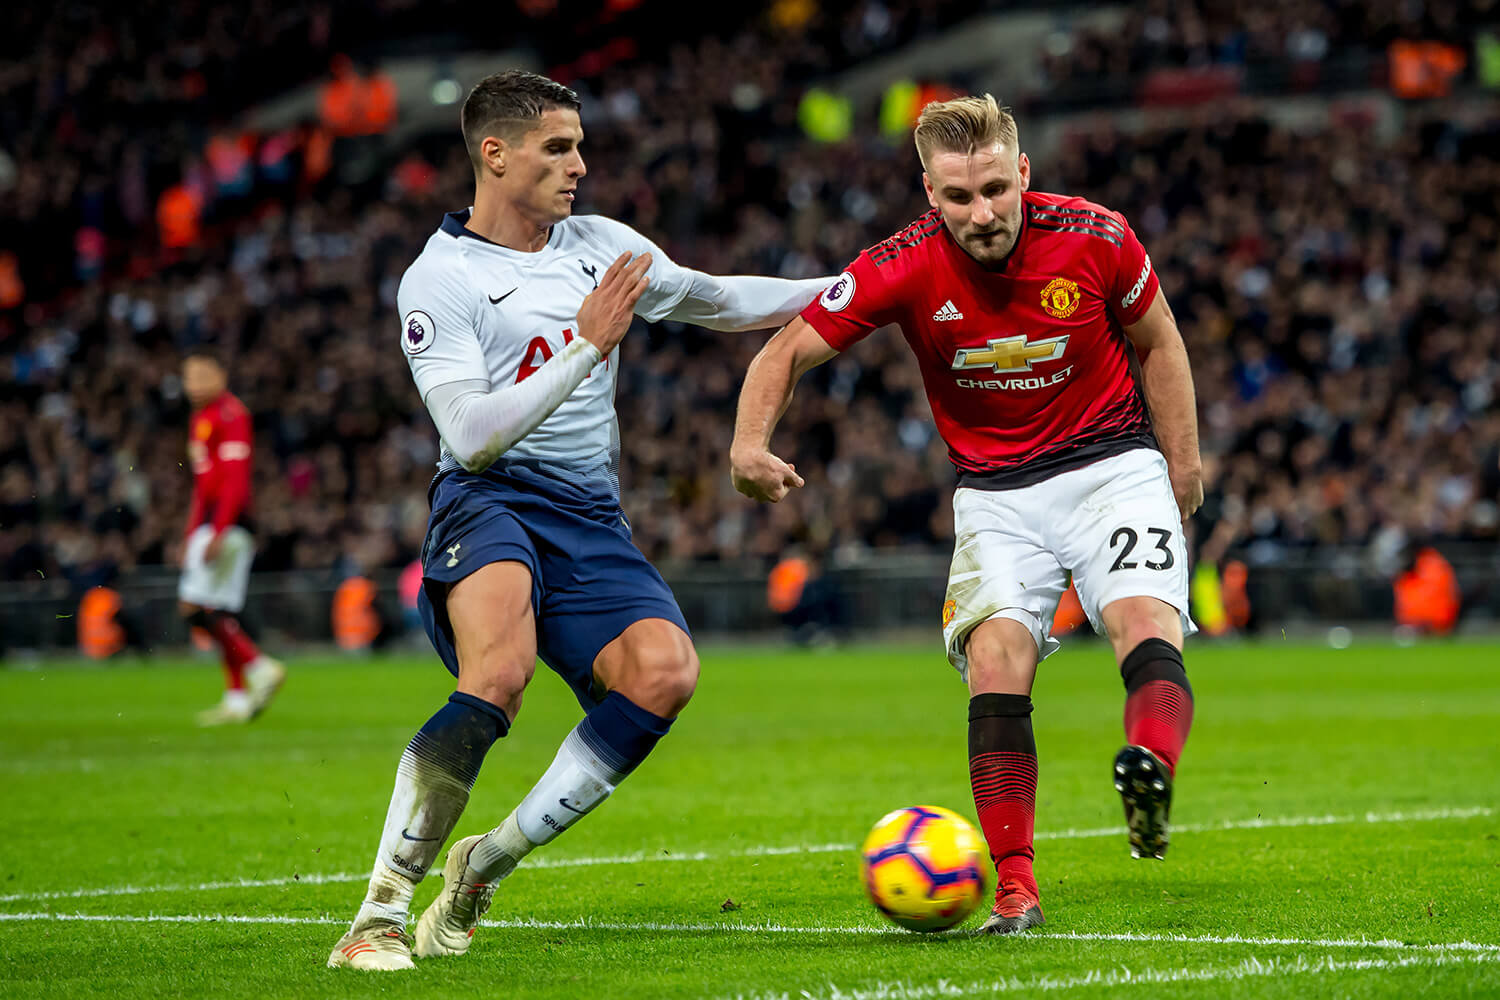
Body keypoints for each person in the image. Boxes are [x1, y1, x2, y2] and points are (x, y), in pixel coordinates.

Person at [327, 70, 830, 970]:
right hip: (489, 501)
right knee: (500, 674)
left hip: (590, 512)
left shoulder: (602, 245)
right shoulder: (438, 280)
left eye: (579, 145)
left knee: (666, 673)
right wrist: (588, 344)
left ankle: (485, 862)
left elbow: (716, 299)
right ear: (495, 153)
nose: (580, 165)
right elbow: (471, 435)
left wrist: (860, 285)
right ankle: (378, 914)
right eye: (558, 147)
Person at [730, 95, 1203, 935]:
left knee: (1140, 621)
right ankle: (1015, 891)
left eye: (994, 188)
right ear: (929, 193)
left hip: (1112, 467)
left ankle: (1149, 768)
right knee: (996, 664)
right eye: (958, 197)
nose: (981, 213)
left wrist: (1185, 463)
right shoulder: (900, 263)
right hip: (995, 495)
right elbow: (786, 348)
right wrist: (748, 444)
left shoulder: (1096, 236)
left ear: (1023, 172)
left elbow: (1159, 340)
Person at [177, 348, 286, 725]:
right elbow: (200, 486)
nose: (192, 384)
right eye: (187, 377)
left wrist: (218, 530)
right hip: (212, 524)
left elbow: (235, 480)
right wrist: (190, 533)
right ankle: (237, 698)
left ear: (220, 375)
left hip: (227, 523)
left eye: (200, 375)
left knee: (196, 609)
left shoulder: (231, 413)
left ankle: (259, 667)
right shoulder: (201, 418)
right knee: (217, 612)